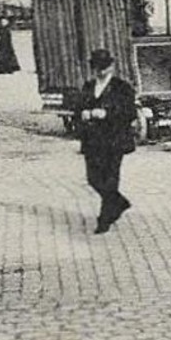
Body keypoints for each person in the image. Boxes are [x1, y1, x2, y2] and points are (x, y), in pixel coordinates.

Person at [74, 48, 138, 235]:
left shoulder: (122, 88)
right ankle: (119, 203)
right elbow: (78, 109)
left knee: (110, 179)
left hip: (114, 140)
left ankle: (105, 219)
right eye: (96, 67)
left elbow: (130, 113)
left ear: (111, 66)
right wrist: (82, 113)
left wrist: (107, 114)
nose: (100, 71)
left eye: (104, 67)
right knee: (93, 179)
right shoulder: (88, 86)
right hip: (92, 140)